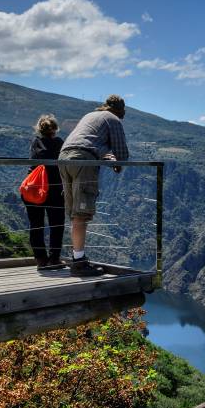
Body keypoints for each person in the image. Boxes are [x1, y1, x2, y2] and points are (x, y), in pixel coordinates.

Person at [58, 94, 128, 276]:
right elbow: (122, 156)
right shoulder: (114, 120)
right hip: (83, 160)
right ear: (121, 111)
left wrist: (104, 153)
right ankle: (79, 264)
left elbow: (90, 140)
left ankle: (77, 258)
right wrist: (116, 164)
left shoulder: (90, 116)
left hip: (64, 158)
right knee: (81, 213)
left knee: (74, 213)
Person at [26, 114, 65, 270]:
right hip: (55, 189)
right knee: (57, 224)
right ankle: (54, 259)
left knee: (36, 225)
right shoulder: (59, 143)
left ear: (39, 128)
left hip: (35, 189)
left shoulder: (35, 142)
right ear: (55, 129)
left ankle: (41, 259)